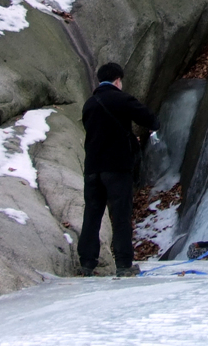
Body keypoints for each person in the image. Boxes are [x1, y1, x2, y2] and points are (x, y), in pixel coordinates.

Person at [78, 62, 160, 277]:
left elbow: (99, 133)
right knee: (121, 215)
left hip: (93, 168)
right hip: (116, 167)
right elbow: (148, 118)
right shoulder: (121, 99)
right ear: (117, 80)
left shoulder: (89, 103)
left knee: (92, 214)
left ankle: (86, 263)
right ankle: (124, 264)